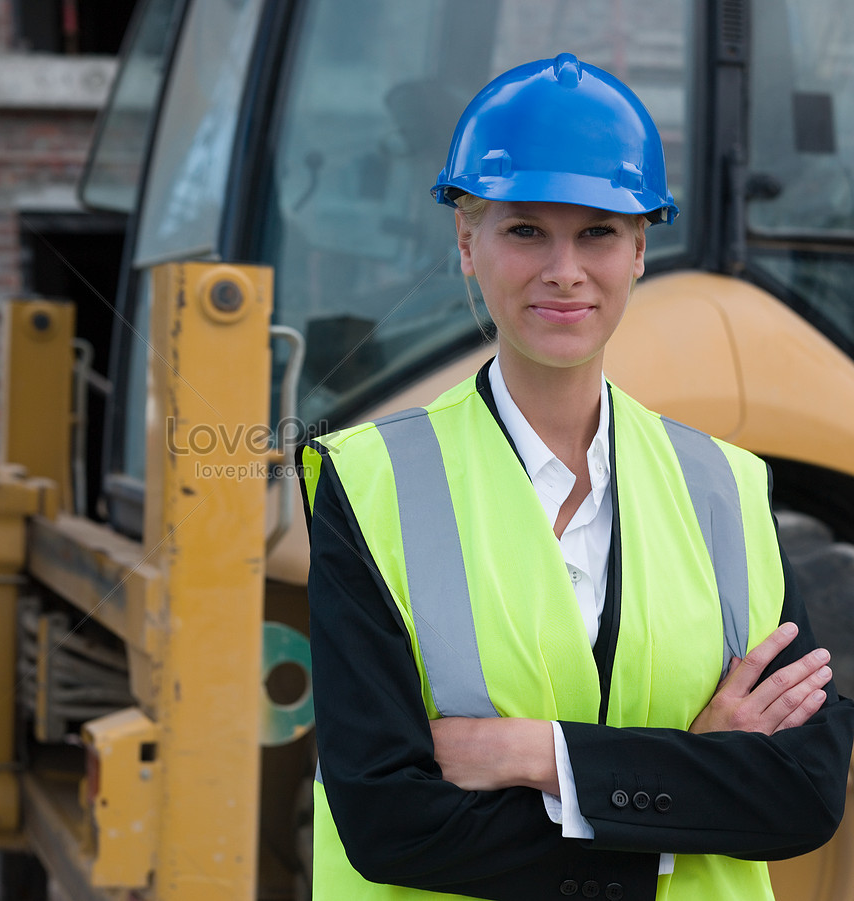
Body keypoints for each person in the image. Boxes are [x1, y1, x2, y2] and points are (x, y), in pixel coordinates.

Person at [297, 52, 854, 901]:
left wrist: (535, 755)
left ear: (638, 250)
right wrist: (692, 780)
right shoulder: (369, 485)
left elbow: (803, 791)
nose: (564, 269)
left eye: (597, 232)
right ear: (465, 244)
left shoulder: (726, 487)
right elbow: (388, 821)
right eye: (526, 229)